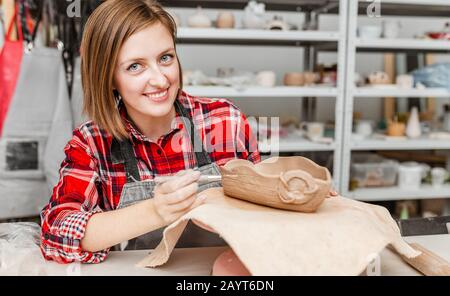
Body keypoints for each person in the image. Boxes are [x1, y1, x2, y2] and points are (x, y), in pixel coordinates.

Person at [40, 0, 260, 264]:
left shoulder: (224, 119)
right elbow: (56, 233)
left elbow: (260, 204)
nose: (160, 79)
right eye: (135, 66)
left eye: (165, 58)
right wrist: (156, 211)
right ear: (108, 77)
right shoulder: (92, 143)